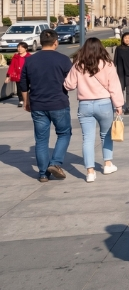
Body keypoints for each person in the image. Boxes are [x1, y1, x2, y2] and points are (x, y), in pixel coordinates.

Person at [64, 38, 125, 183]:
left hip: (84, 105)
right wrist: (118, 105)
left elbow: (68, 85)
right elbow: (114, 86)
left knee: (88, 138)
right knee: (106, 135)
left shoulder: (78, 65)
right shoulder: (108, 64)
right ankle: (107, 164)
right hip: (104, 103)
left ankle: (90, 172)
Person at [20, 29, 73, 182]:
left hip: (37, 104)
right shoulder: (63, 59)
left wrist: (26, 101)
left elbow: (23, 84)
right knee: (64, 133)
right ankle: (55, 163)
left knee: (41, 140)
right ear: (56, 42)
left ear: (41, 42)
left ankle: (43, 173)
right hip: (59, 103)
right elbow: (71, 82)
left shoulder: (30, 60)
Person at [7, 42, 31, 107]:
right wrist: (8, 76)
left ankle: (28, 100)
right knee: (19, 89)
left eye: (21, 47)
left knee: (28, 88)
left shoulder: (29, 57)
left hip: (28, 75)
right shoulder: (15, 57)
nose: (19, 49)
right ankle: (21, 100)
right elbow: (12, 66)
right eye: (18, 47)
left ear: (26, 48)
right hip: (18, 75)